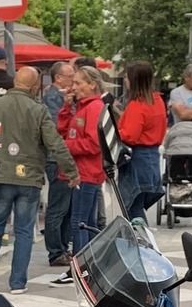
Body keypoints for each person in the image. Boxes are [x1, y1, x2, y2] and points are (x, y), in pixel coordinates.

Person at [0, 65, 73, 294]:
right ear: (34, 86)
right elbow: (55, 143)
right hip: (29, 178)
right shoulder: (39, 110)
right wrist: (71, 172)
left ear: (15, 82)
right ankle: (17, 283)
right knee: (24, 231)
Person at [52, 64, 109, 281]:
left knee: (79, 222)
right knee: (86, 221)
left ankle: (80, 269)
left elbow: (93, 144)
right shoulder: (83, 107)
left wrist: (66, 146)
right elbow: (64, 129)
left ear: (92, 84)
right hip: (84, 171)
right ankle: (86, 267)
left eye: (78, 83)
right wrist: (67, 108)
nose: (73, 87)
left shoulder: (93, 108)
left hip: (86, 172)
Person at [115, 62, 168, 221]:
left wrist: (115, 132)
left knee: (133, 208)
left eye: (126, 77)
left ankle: (142, 236)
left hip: (137, 159)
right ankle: (142, 235)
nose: (125, 80)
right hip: (152, 158)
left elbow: (130, 136)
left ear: (134, 80)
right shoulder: (157, 100)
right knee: (137, 207)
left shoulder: (137, 105)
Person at [42, 58, 80, 264]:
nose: (73, 80)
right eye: (70, 76)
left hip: (63, 158)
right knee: (58, 206)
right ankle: (56, 251)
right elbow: (57, 128)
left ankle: (63, 247)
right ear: (58, 78)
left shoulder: (63, 97)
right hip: (56, 158)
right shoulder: (53, 98)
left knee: (67, 207)